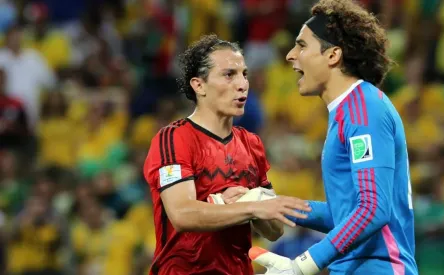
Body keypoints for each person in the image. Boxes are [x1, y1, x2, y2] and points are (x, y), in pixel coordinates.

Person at [248, 0, 419, 274]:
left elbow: (373, 210)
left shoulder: (365, 109)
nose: (291, 55)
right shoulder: (348, 111)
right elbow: (346, 214)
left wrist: (303, 265)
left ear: (333, 55)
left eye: (302, 45)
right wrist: (274, 205)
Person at [143, 34, 311, 275]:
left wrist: (251, 197)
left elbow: (275, 230)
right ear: (198, 85)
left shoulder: (251, 143)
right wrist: (251, 207)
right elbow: (182, 214)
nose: (242, 84)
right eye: (229, 74)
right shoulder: (173, 138)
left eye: (244, 74)